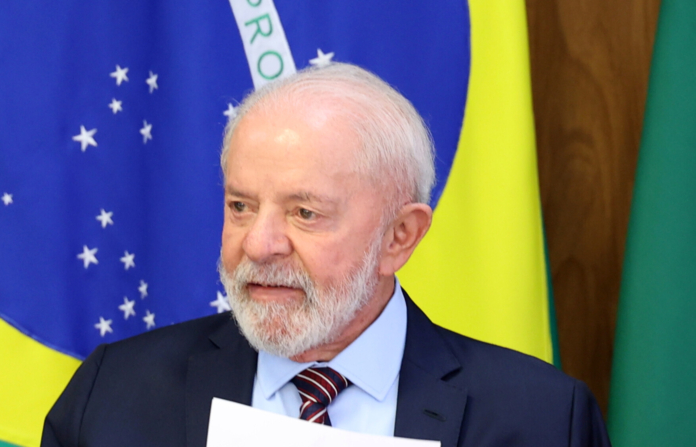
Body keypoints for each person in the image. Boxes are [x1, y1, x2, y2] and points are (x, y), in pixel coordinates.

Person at [42, 63, 611, 447]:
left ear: (400, 236)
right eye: (241, 206)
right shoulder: (113, 397)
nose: (259, 245)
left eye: (304, 213)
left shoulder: (541, 421)